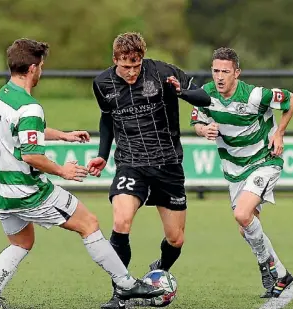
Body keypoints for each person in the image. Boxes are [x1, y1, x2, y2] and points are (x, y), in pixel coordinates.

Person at [0, 38, 164, 309]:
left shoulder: (4, 94)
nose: (42, 71)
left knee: (22, 242)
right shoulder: (30, 107)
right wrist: (62, 170)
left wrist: (62, 135)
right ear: (31, 68)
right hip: (27, 191)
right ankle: (125, 284)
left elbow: (25, 132)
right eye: (40, 66)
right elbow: (31, 155)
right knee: (89, 224)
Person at [87, 32, 211, 309]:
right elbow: (107, 119)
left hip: (168, 165)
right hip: (131, 163)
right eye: (125, 65)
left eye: (136, 65)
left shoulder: (164, 72)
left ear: (142, 58)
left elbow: (204, 97)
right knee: (121, 222)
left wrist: (181, 92)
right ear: (115, 60)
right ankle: (122, 292)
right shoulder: (102, 83)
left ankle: (158, 269)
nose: (131, 72)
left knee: (176, 239)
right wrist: (102, 156)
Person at [190, 47, 293, 298]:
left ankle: (265, 264)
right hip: (234, 168)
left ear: (236, 73)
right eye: (215, 70)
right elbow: (197, 121)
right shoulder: (205, 94)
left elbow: (291, 100)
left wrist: (280, 132)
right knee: (246, 226)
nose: (219, 76)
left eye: (225, 71)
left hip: (264, 160)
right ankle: (281, 274)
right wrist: (203, 130)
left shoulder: (255, 95)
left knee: (242, 214)